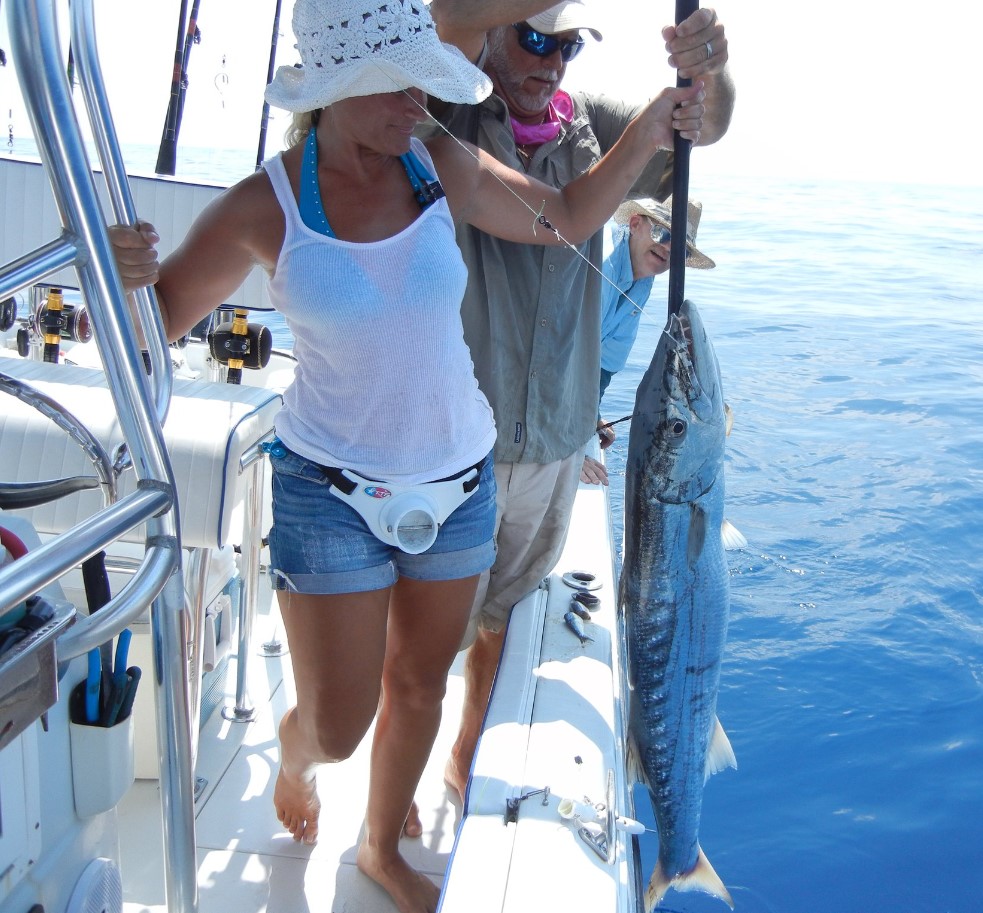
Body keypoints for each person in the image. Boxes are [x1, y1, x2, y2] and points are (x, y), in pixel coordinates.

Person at [109, 0, 705, 910]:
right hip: (328, 491)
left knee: (420, 683)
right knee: (340, 726)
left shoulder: (438, 162)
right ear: (333, 90)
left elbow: (565, 217)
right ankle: (297, 748)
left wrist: (659, 122)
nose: (419, 102)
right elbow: (148, 344)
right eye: (395, 84)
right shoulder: (261, 204)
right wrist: (125, 283)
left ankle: (382, 847)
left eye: (425, 79)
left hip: (459, 478)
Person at [422, 0, 736, 801]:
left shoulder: (589, 124)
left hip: (556, 443)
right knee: (419, 647)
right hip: (457, 446)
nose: (550, 62)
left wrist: (708, 68)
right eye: (532, 38)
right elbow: (441, 17)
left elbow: (705, 125)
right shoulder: (444, 107)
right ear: (493, 29)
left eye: (565, 46)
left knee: (501, 620)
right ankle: (351, 763)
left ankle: (463, 756)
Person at [580, 195, 715, 485]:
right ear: (634, 223)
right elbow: (554, 359)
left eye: (678, 245)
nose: (667, 247)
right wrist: (569, 448)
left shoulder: (643, 278)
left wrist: (591, 415)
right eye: (662, 232)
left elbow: (603, 365)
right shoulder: (600, 264)